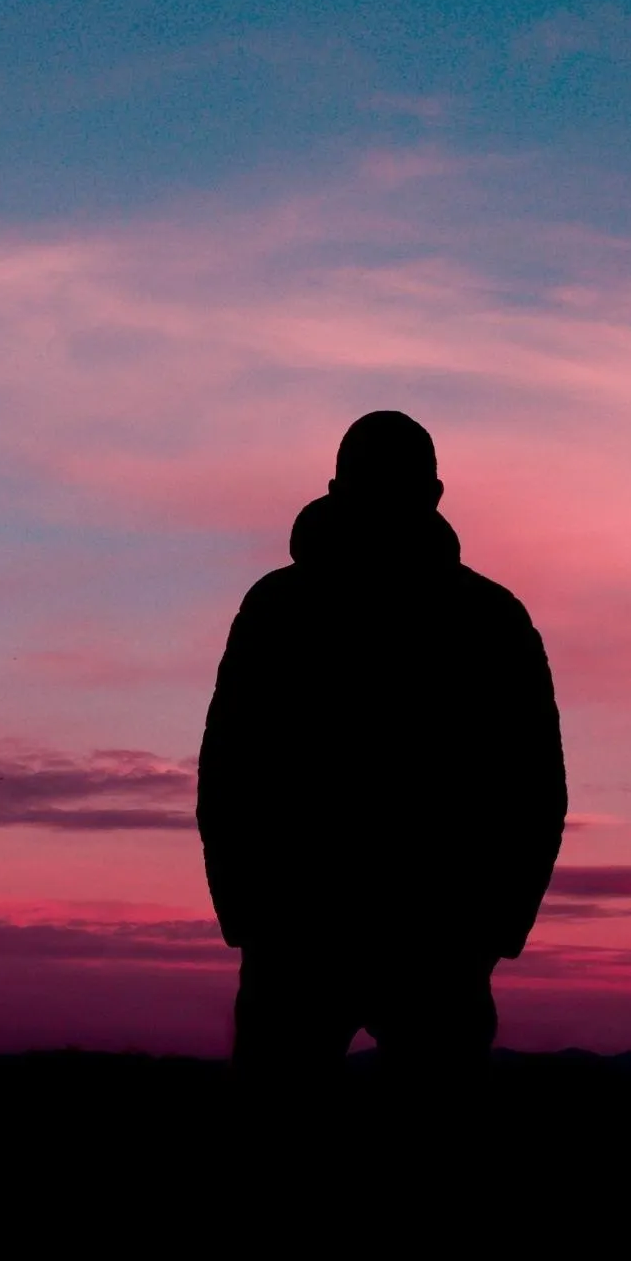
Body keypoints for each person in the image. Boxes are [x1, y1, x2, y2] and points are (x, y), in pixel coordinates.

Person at [196, 411, 567, 1106]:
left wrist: (494, 930)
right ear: (436, 494)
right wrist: (250, 916)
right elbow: (230, 769)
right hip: (345, 935)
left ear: (338, 486)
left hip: (392, 937)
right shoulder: (486, 617)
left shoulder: (283, 608)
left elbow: (228, 772)